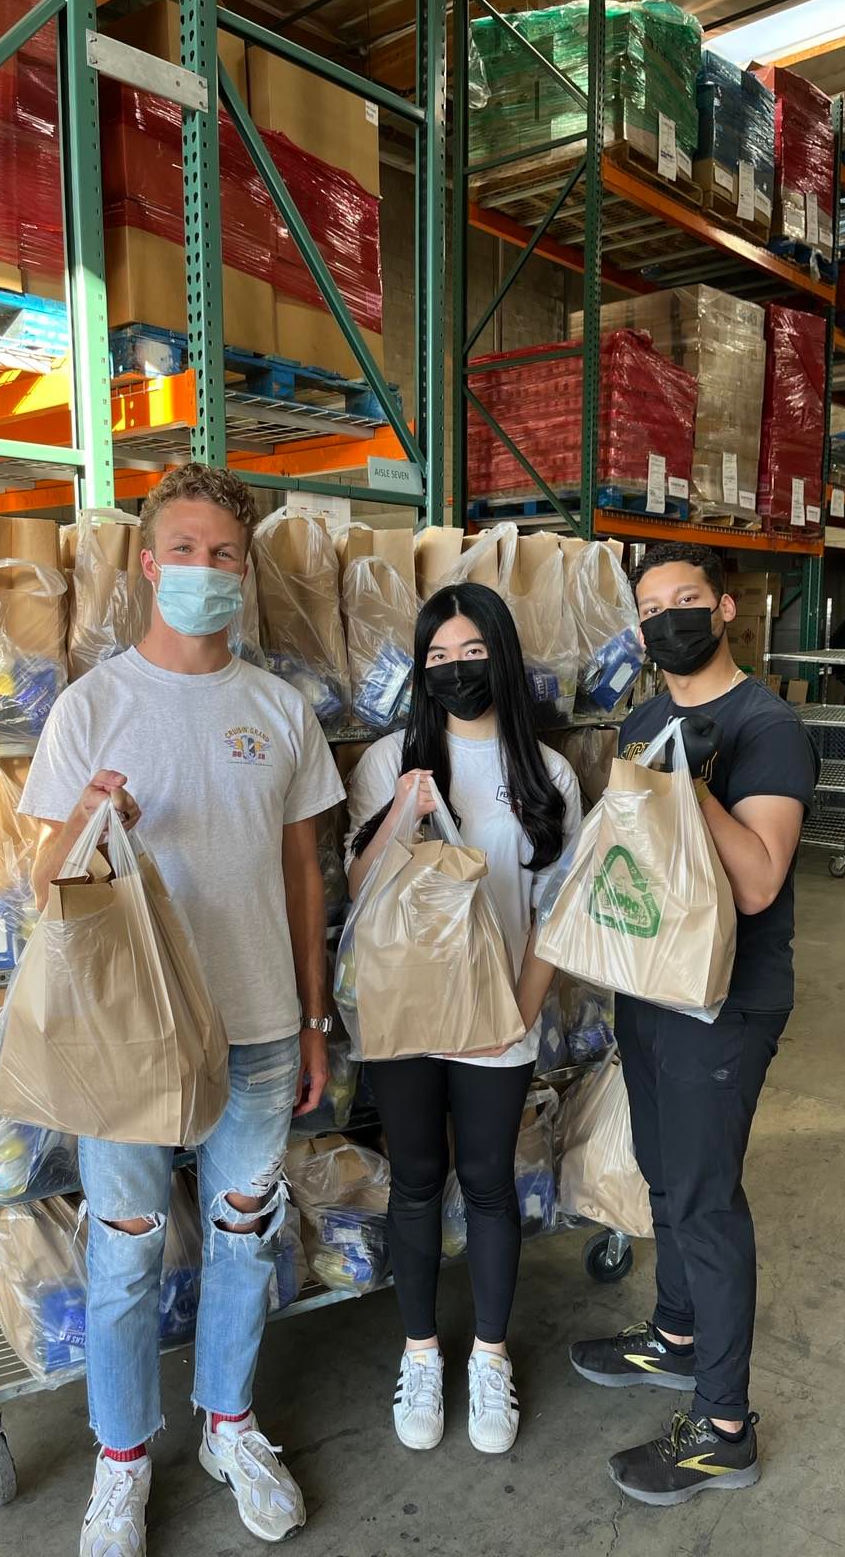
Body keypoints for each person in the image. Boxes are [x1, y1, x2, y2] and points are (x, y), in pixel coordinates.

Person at [20, 465, 345, 1554]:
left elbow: (307, 872)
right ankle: (120, 1462)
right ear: (149, 564)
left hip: (257, 1028)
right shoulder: (93, 707)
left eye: (225, 556)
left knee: (244, 1239)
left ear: (242, 573)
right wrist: (91, 818)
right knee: (124, 1253)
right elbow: (41, 887)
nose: (206, 571)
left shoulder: (279, 708)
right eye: (187, 551)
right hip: (130, 1044)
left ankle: (229, 1424)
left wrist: (312, 1018)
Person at [568, 540, 818, 1507]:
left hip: (726, 999)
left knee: (708, 1202)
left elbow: (757, 881)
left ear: (723, 608)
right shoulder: (644, 718)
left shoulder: (765, 725)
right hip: (651, 981)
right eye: (650, 607)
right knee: (665, 1176)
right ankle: (675, 1336)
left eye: (686, 599)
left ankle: (724, 1431)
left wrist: (693, 789)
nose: (666, 618)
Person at [346, 581, 582, 1457]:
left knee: (485, 1182)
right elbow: (358, 891)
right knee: (414, 1180)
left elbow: (558, 909)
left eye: (470, 653)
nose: (454, 671)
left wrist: (519, 1014)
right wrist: (400, 814)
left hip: (497, 1023)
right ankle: (420, 1354)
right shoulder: (385, 763)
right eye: (436, 658)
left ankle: (489, 1357)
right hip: (406, 1019)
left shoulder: (546, 775)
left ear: (502, 656)